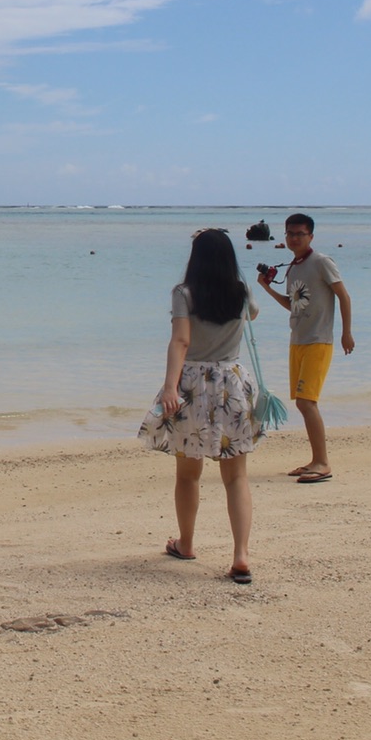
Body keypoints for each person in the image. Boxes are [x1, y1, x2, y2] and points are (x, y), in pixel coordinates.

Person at [158, 228, 261, 585]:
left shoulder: (184, 293)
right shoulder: (241, 291)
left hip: (194, 385)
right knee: (236, 477)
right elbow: (254, 314)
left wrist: (170, 386)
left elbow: (181, 340)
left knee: (188, 474)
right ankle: (241, 555)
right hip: (233, 382)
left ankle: (186, 543)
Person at [255, 212, 353, 484]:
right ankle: (315, 460)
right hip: (297, 340)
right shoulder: (294, 267)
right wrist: (267, 288)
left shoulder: (322, 262)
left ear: (311, 236)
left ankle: (323, 463)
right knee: (303, 402)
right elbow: (293, 303)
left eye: (300, 234)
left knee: (307, 402)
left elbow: (343, 295)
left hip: (318, 340)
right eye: (289, 233)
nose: (294, 238)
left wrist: (346, 332)